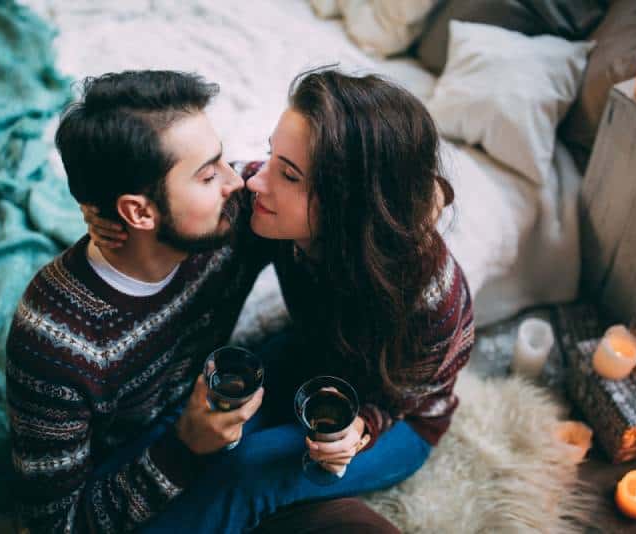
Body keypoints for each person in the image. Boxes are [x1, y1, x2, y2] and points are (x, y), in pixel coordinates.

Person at [5, 69, 399, 534]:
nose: (240, 183)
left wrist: (415, 196)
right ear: (138, 211)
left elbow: (327, 197)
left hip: (215, 407)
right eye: (210, 173)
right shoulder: (55, 347)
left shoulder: (231, 223)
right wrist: (184, 446)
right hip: (135, 461)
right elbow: (55, 526)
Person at [84, 68, 474, 533]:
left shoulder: (431, 299)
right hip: (307, 354)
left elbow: (401, 400)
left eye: (288, 174)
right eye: (273, 156)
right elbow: (195, 209)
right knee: (201, 413)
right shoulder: (269, 206)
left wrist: (359, 429)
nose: (256, 182)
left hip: (400, 418)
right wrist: (117, 213)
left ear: (349, 203)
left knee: (251, 470)